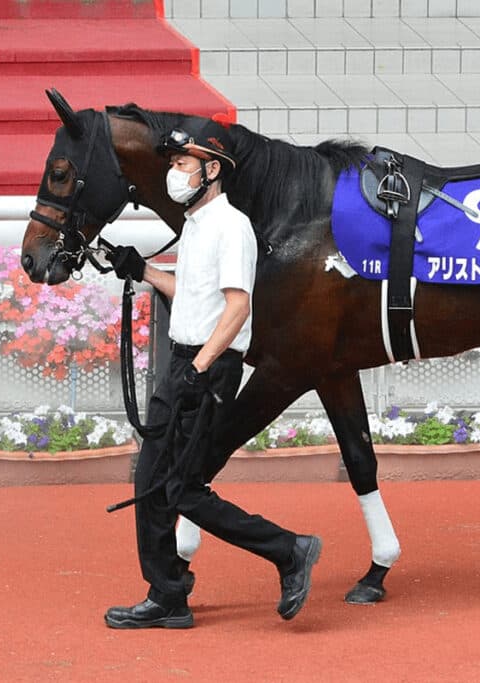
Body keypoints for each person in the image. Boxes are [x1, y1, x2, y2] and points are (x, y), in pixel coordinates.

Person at [102, 127, 321, 629]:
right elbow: (195, 296)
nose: (173, 173)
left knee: (182, 488)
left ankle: (290, 550)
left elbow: (237, 307)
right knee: (152, 482)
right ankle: (167, 595)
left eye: (183, 164)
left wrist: (199, 370)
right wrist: (143, 271)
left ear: (212, 170)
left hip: (207, 367)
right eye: (174, 163)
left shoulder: (232, 227)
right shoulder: (196, 225)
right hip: (186, 363)